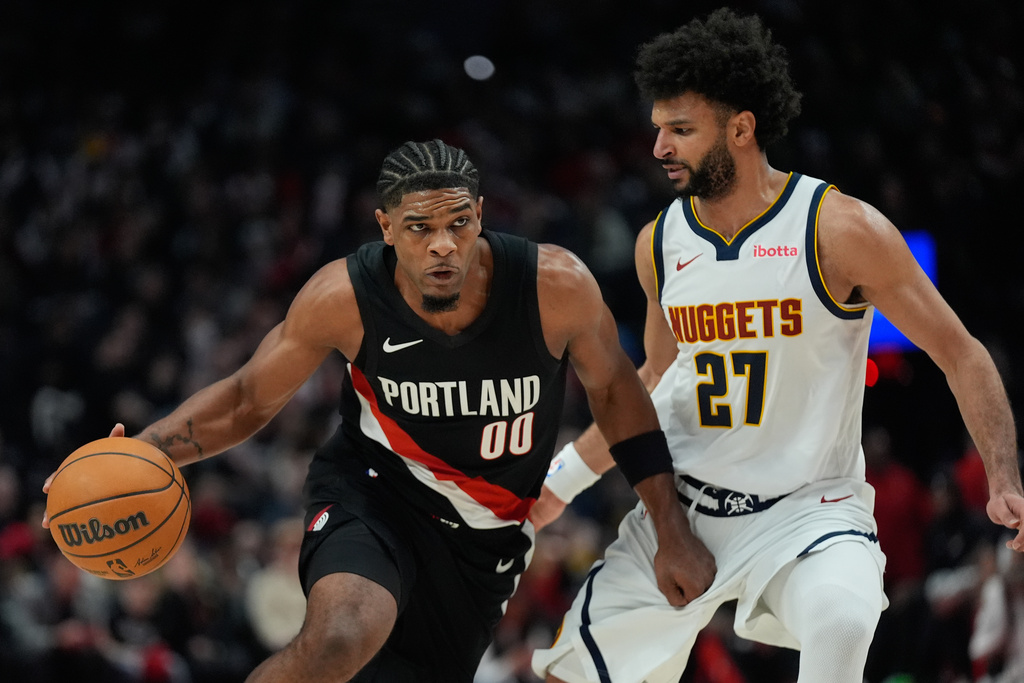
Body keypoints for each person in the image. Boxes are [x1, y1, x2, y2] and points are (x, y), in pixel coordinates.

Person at [42, 138, 707, 683]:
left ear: (480, 214)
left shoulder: (555, 287)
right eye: (420, 228)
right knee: (339, 634)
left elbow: (621, 395)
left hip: (486, 536)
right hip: (374, 492)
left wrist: (669, 525)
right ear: (386, 227)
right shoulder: (344, 296)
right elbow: (247, 398)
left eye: (458, 224)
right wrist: (143, 454)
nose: (442, 244)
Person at [530, 9, 1024, 683]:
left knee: (844, 618)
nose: (660, 148)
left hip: (808, 508)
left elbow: (961, 351)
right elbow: (655, 377)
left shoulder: (837, 228)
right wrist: (563, 478)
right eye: (658, 130)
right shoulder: (660, 243)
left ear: (741, 127)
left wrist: (1004, 476)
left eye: (681, 129)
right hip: (684, 507)